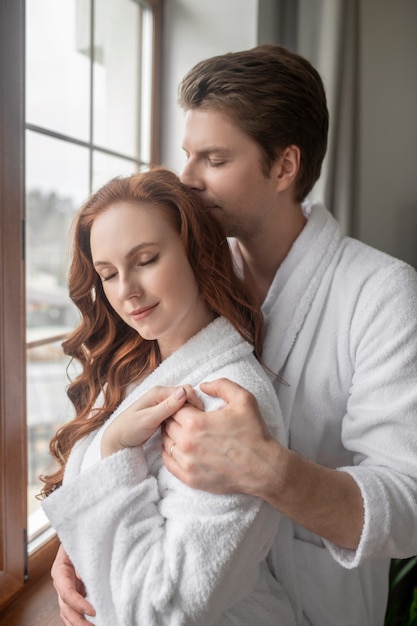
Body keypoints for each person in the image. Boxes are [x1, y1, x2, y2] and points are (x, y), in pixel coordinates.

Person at [51, 45, 417, 626]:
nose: (188, 180)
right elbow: (130, 441)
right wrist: (84, 540)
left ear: (284, 166)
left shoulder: (381, 292)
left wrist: (273, 471)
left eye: (215, 159)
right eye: (188, 156)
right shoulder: (184, 276)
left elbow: (410, 502)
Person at [40, 168, 296, 626]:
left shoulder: (227, 405)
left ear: (194, 251)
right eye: (109, 273)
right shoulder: (137, 366)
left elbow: (162, 609)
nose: (127, 290)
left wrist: (116, 448)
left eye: (146, 259)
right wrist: (74, 551)